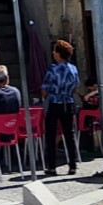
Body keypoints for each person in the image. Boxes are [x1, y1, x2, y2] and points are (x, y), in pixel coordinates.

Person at [41, 40, 82, 177]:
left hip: (55, 102)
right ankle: (72, 165)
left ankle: (52, 167)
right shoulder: (73, 69)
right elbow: (76, 86)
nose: (53, 53)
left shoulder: (53, 69)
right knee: (69, 135)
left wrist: (46, 96)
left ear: (59, 54)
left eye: (54, 51)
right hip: (68, 102)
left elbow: (45, 89)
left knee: (51, 135)